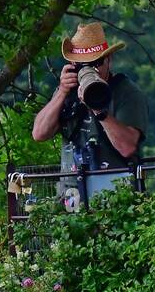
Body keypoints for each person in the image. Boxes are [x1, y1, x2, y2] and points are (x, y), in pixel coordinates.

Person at [32, 23, 148, 206]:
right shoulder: (67, 92)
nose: (90, 70)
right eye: (82, 65)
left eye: (96, 63)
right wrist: (62, 92)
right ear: (72, 65)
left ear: (109, 59)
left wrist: (98, 108)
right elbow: (39, 133)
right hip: (73, 196)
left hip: (116, 196)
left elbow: (127, 147)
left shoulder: (126, 91)